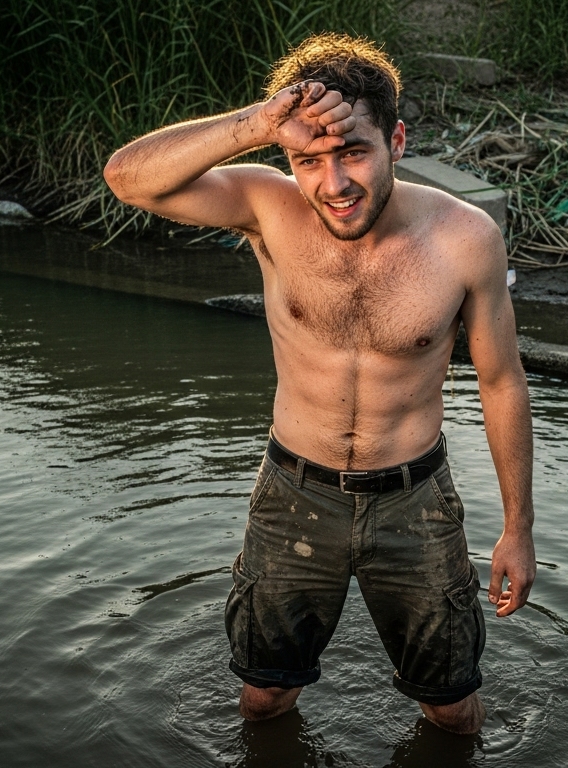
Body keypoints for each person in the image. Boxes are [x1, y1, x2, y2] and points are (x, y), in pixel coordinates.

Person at [103, 32, 534, 735]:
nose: (333, 185)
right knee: (263, 700)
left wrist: (519, 526)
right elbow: (128, 178)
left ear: (396, 139)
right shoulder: (268, 207)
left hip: (415, 501)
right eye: (308, 160)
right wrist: (260, 122)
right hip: (294, 495)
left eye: (354, 152)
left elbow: (502, 382)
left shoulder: (465, 238)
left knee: (452, 709)